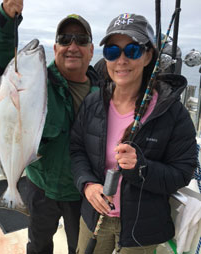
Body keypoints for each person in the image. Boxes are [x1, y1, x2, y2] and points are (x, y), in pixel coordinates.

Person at [0, 0, 100, 253]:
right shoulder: (36, 82)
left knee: (83, 248)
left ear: (91, 50)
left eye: (80, 40)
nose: (72, 46)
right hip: (42, 186)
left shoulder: (104, 92)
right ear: (55, 48)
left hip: (84, 191)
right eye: (65, 39)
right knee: (39, 245)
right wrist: (5, 19)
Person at [70, 13, 197, 254]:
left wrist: (141, 168)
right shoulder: (93, 103)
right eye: (112, 51)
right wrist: (87, 185)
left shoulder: (172, 113)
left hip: (143, 226)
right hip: (94, 215)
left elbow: (183, 172)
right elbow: (76, 150)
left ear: (148, 55)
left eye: (133, 50)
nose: (122, 59)